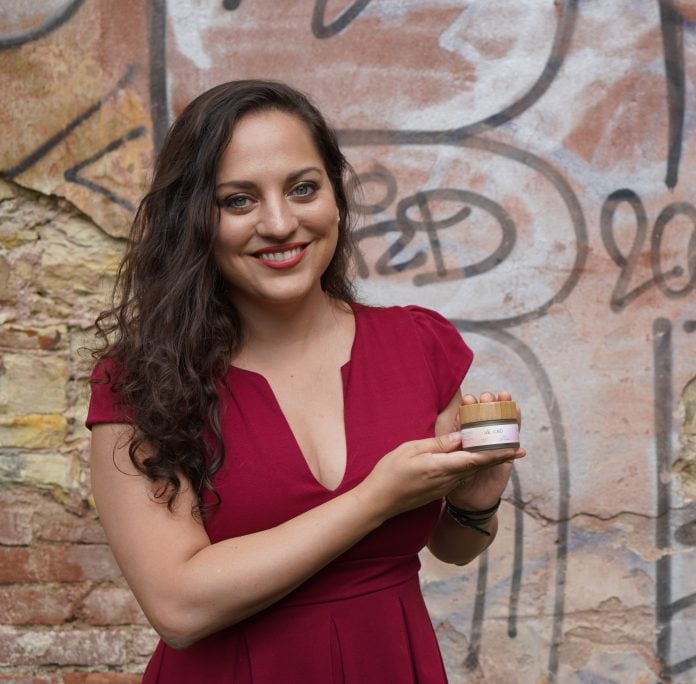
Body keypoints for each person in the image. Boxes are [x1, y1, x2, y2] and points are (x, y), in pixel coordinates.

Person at [87, 80, 525, 682]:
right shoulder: (140, 381)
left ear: (335, 198)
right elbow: (178, 607)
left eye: (302, 189)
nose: (279, 222)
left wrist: (477, 503)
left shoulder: (419, 345)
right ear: (194, 219)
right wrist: (375, 498)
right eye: (238, 200)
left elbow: (451, 547)